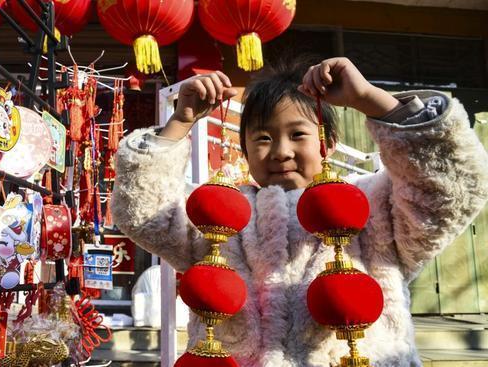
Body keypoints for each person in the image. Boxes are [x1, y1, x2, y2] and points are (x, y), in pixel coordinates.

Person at [111, 56, 488, 366]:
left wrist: (370, 99)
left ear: (330, 142)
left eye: (298, 134)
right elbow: (144, 214)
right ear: (243, 150)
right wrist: (179, 123)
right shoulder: (220, 218)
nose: (280, 151)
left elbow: (451, 190)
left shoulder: (373, 207)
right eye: (262, 137)